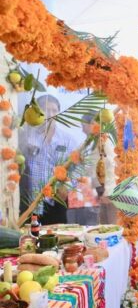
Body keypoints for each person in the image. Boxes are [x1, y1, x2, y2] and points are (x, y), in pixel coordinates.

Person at [19, 94, 76, 225]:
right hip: (30, 201)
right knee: (31, 239)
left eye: (54, 110)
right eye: (45, 109)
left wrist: (68, 186)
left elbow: (75, 167)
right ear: (38, 112)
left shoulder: (67, 139)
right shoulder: (27, 135)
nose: (50, 113)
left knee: (58, 237)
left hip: (56, 200)